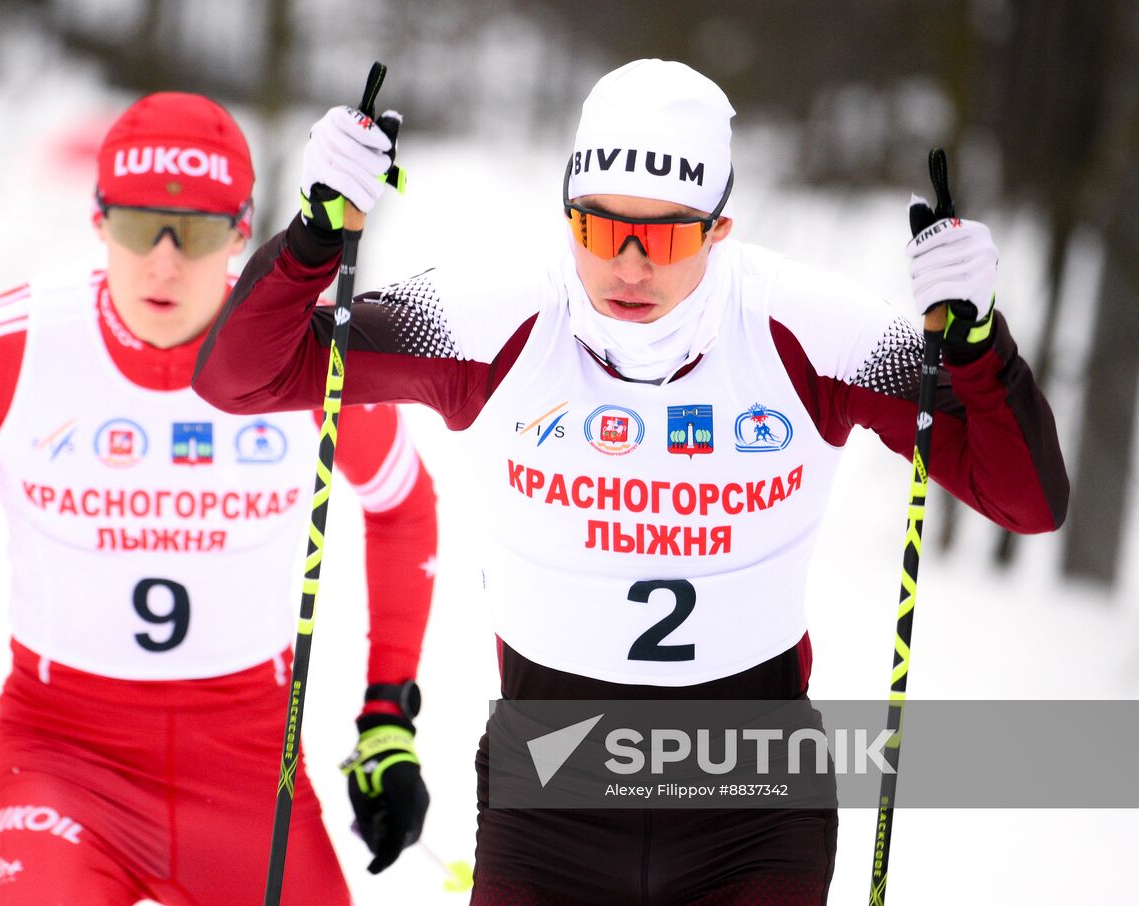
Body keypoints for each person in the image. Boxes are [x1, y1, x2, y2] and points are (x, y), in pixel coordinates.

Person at [192, 60, 1068, 904]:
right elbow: (242, 378)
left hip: (753, 809)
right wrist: (313, 234)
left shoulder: (811, 328)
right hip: (552, 797)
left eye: (669, 231)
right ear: (569, 213)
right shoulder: (489, 315)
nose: (632, 265)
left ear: (722, 226)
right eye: (603, 228)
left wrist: (979, 343)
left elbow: (1026, 499)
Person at [0, 91, 439, 905]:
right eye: (140, 227)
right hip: (64, 757)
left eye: (199, 233)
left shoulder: (310, 351)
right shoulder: (9, 346)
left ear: (243, 232)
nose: (165, 263)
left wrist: (388, 715)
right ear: (99, 222)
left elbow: (403, 507)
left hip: (245, 763)